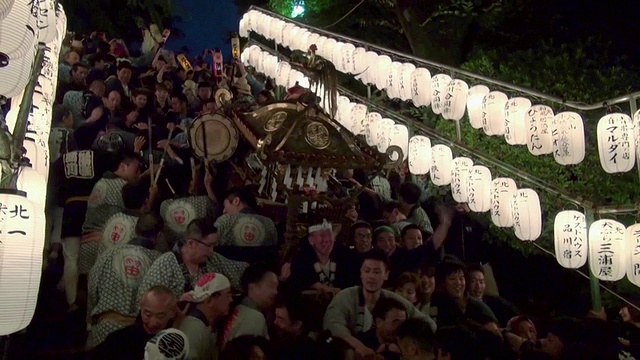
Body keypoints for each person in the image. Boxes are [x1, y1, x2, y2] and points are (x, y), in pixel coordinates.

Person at [323, 249, 435, 358]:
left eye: (377, 272)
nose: (371, 276)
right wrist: (359, 346)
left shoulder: (393, 299)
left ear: (386, 275)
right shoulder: (346, 296)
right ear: (361, 273)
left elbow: (428, 324)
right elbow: (332, 324)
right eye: (367, 271)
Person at [87, 213, 164, 348]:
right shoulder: (160, 262)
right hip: (137, 336)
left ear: (135, 230)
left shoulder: (108, 254)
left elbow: (92, 287)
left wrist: (90, 319)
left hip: (103, 329)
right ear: (158, 236)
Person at [137, 218, 245, 300]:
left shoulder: (213, 259)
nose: (212, 250)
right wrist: (177, 301)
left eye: (214, 246)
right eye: (209, 245)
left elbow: (240, 270)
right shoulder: (166, 263)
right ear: (191, 243)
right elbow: (145, 300)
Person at [91, 286, 177, 360]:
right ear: (141, 308)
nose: (152, 322)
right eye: (148, 314)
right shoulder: (121, 339)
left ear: (172, 313)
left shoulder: (178, 340)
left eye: (160, 316)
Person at [179, 273, 234, 360]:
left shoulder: (205, 326)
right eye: (228, 295)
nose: (231, 300)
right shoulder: (194, 330)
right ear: (209, 300)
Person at [221, 263, 278, 345]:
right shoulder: (255, 318)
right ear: (252, 287)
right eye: (271, 286)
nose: (275, 292)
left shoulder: (239, 309)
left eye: (276, 287)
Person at [271, 294, 316, 360]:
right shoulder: (278, 338)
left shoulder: (307, 350)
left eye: (280, 319)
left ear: (297, 325)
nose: (275, 322)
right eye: (276, 317)